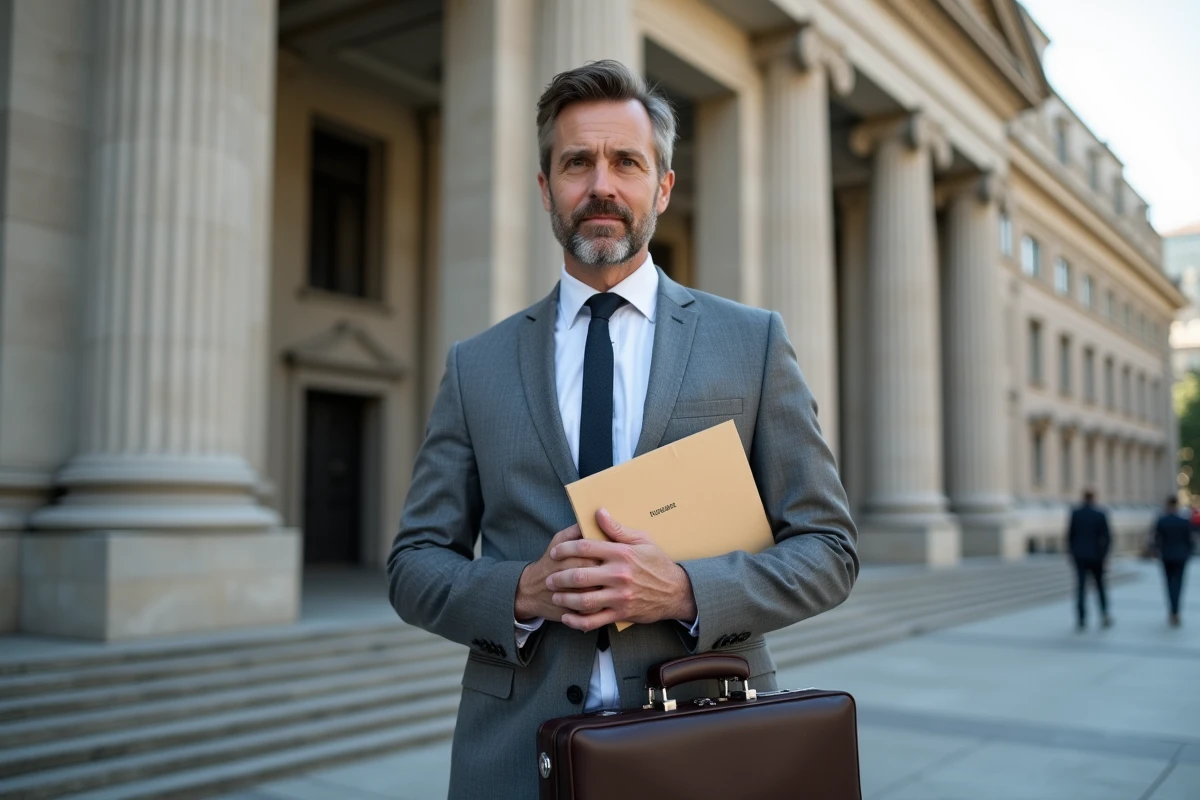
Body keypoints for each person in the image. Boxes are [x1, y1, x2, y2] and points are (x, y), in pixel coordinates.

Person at [386, 60, 858, 798]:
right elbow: (414, 564)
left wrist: (685, 591)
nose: (600, 184)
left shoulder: (752, 342)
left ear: (662, 188)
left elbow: (829, 550)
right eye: (577, 162)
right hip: (515, 758)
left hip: (708, 738)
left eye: (626, 162)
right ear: (546, 188)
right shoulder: (475, 365)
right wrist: (521, 593)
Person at [1067, 489, 1112, 631]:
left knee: (1080, 587)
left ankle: (1081, 618)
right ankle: (1104, 614)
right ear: (1094, 498)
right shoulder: (1100, 514)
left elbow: (1070, 536)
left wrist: (1072, 554)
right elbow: (1107, 537)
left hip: (1080, 556)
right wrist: (1104, 556)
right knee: (1100, 587)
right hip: (1096, 556)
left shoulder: (1076, 514)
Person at [1154, 496, 1194, 627]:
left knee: (1169, 584)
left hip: (1167, 556)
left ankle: (1172, 610)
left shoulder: (1162, 520)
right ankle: (1176, 611)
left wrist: (1158, 552)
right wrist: (1188, 553)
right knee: (1179, 584)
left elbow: (1156, 539)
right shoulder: (1183, 521)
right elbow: (1189, 540)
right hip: (1181, 556)